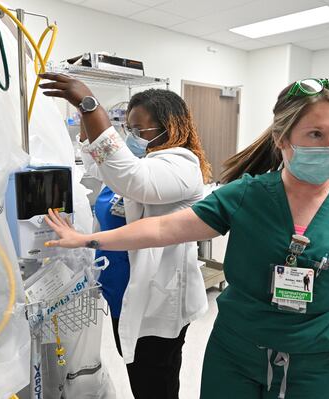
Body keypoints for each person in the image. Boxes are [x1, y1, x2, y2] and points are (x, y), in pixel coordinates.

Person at [42, 77, 329, 399]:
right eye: (315, 134)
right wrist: (88, 240)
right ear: (282, 138)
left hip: (311, 368)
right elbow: (165, 229)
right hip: (235, 358)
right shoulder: (247, 196)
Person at [39, 73, 212, 399]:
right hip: (122, 295)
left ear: (169, 127)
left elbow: (132, 179)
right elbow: (99, 163)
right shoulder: (142, 161)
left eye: (138, 129)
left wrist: (90, 105)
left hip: (157, 302)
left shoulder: (182, 166)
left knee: (154, 384)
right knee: (139, 374)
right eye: (127, 129)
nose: (131, 136)